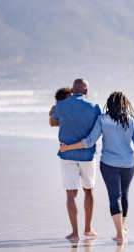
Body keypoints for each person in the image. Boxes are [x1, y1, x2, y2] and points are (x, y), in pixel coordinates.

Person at [60, 91, 134, 244]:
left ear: (109, 105)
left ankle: (119, 234)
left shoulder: (102, 119)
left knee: (114, 197)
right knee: (124, 195)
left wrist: (68, 147)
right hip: (128, 164)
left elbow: (90, 141)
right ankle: (121, 229)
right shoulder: (130, 121)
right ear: (124, 104)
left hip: (109, 164)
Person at [49, 79, 101, 242]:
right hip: (87, 155)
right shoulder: (94, 106)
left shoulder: (61, 106)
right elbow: (98, 127)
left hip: (67, 155)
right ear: (86, 91)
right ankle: (88, 229)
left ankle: (75, 233)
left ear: (72, 90)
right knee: (89, 190)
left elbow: (52, 122)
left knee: (71, 194)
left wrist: (61, 117)